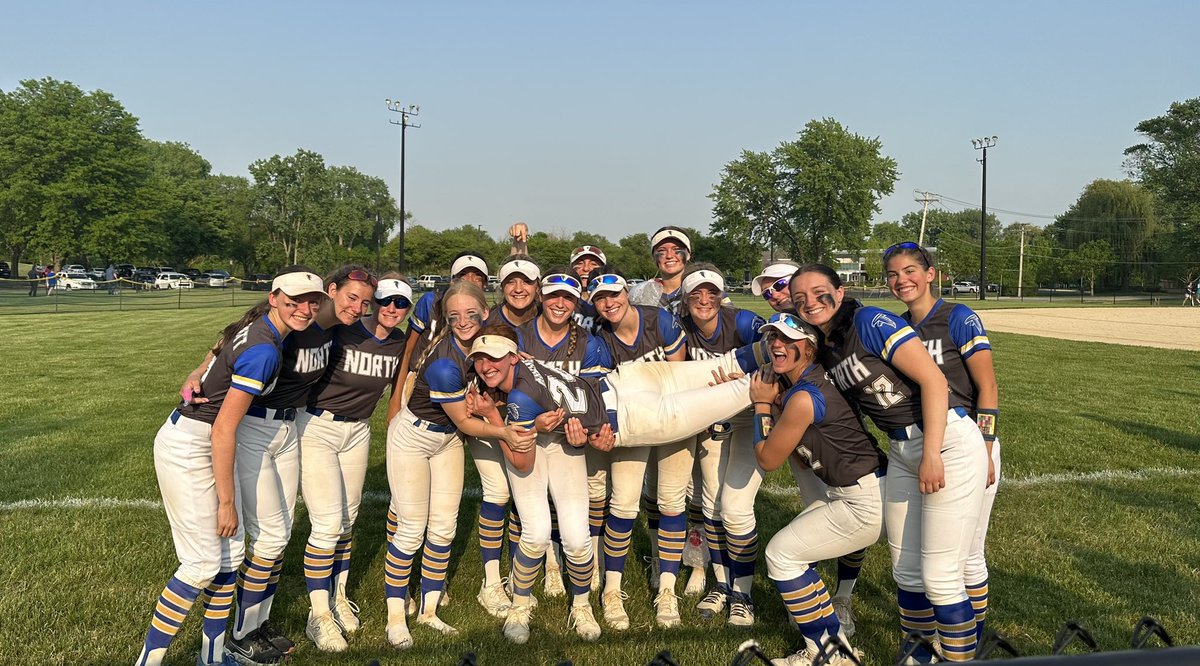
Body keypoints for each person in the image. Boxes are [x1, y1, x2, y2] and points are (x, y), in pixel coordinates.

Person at [790, 263, 988, 663]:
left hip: (944, 438)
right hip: (901, 449)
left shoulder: (869, 320)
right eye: (800, 298)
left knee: (941, 576)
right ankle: (917, 657)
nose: (810, 302)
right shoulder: (826, 344)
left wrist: (932, 451)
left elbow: (934, 381)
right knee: (907, 572)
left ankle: (961, 659)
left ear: (840, 291)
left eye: (818, 292)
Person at [181, 265, 379, 664]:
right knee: (268, 537)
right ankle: (242, 631)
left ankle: (256, 623)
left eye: (364, 302)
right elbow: (235, 337)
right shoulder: (295, 317)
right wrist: (198, 371)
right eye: (350, 297)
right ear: (331, 290)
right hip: (256, 425)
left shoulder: (334, 325)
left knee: (281, 532)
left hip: (289, 427)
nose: (357, 308)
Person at [134, 268, 326, 666]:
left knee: (231, 557)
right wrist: (226, 501)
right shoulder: (266, 350)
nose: (304, 308)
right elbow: (223, 429)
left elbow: (220, 347)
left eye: (311, 301)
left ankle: (212, 657)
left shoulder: (262, 325)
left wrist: (197, 371)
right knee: (202, 563)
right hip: (192, 444)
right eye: (294, 300)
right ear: (274, 298)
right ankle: (147, 662)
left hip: (203, 439)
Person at [382, 281, 536, 649]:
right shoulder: (445, 365)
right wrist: (507, 434)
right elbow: (468, 422)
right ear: (446, 320)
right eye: (454, 316)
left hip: (447, 440)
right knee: (411, 529)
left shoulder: (488, 347)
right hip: (415, 437)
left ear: (485, 313)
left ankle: (430, 611)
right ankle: (394, 616)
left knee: (444, 528)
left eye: (471, 314)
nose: (464, 321)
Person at [476, 270, 613, 643]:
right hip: (525, 437)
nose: (559, 303)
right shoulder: (516, 337)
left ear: (576, 302)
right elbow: (494, 385)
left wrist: (584, 431)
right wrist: (527, 421)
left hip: (568, 443)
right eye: (553, 295)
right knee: (535, 534)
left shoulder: (590, 343)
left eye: (568, 298)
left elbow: (595, 401)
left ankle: (581, 604)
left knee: (577, 537)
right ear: (542, 296)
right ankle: (521, 602)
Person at [748, 313, 883, 666]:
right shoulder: (807, 384)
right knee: (793, 553)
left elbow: (767, 459)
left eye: (787, 339)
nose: (777, 344)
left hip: (861, 500)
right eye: (773, 337)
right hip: (858, 490)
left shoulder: (806, 396)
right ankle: (834, 646)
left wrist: (761, 403)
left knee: (782, 556)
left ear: (808, 348)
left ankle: (824, 652)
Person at [885, 242, 999, 649]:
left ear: (931, 274)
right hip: (917, 443)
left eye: (911, 270)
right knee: (913, 562)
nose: (903, 280)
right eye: (894, 274)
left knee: (966, 557)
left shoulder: (959, 318)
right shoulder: (896, 326)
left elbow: (987, 386)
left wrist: (986, 447)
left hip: (964, 442)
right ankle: (926, 646)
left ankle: (972, 644)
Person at [299, 276, 414, 652]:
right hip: (318, 426)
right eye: (384, 302)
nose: (391, 309)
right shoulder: (341, 331)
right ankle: (318, 617)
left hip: (358, 431)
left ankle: (339, 595)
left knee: (348, 519)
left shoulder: (400, 341)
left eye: (401, 303)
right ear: (372, 303)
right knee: (327, 523)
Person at [590, 267, 689, 629]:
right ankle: (612, 590)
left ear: (626, 294)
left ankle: (666, 589)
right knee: (624, 502)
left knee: (671, 501)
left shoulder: (659, 321)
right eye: (600, 298)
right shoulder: (600, 337)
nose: (608, 303)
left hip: (674, 415)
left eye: (613, 295)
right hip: (632, 422)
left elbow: (680, 376)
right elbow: (605, 392)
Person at [676, 266, 767, 626]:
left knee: (736, 507)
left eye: (710, 292)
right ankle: (722, 582)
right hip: (709, 421)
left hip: (747, 417)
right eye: (696, 293)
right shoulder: (678, 328)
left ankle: (742, 592)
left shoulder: (741, 322)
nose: (704, 299)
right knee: (710, 502)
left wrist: (745, 378)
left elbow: (777, 349)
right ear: (685, 299)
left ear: (721, 295)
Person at [472, 255, 543, 618]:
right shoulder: (488, 321)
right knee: (497, 492)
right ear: (501, 287)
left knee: (522, 492)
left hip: (523, 417)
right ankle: (490, 580)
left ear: (536, 287)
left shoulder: (545, 319)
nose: (518, 288)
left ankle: (520, 575)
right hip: (488, 413)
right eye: (511, 282)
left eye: (526, 282)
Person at [569, 244, 607, 331]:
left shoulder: (612, 303)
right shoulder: (562, 299)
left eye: (593, 264)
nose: (586, 268)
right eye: (579, 263)